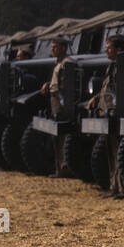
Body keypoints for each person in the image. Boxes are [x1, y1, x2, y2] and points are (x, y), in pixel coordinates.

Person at [87, 35, 124, 197]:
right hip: (107, 113)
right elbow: (106, 89)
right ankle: (114, 187)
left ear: (118, 49)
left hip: (115, 114)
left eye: (109, 48)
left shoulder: (122, 66)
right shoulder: (112, 66)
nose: (106, 51)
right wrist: (96, 99)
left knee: (118, 152)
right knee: (111, 152)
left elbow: (119, 91)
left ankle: (122, 188)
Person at [38, 37, 74, 177]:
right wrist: (48, 84)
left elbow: (66, 85)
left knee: (62, 134)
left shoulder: (67, 63)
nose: (52, 50)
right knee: (56, 136)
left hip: (61, 100)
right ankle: (59, 167)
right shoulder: (57, 63)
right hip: (54, 99)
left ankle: (65, 167)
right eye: (52, 47)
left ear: (63, 48)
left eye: (55, 47)